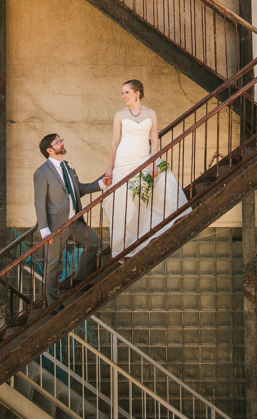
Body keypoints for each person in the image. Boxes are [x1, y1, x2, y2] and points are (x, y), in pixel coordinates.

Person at [101, 79, 190, 258]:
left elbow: (155, 140)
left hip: (143, 158)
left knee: (163, 181)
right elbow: (115, 142)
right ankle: (124, 247)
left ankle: (155, 227)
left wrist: (152, 162)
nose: (124, 96)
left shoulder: (151, 113)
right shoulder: (120, 115)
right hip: (125, 159)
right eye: (122, 93)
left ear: (137, 94)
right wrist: (109, 169)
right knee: (125, 204)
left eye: (127, 92)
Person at [34, 133, 107, 307]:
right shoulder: (42, 173)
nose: (62, 143)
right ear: (49, 150)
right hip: (55, 226)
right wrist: (44, 230)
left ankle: (80, 279)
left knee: (93, 242)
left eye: (61, 140)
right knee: (53, 264)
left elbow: (78, 189)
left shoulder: (68, 166)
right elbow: (39, 201)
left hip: (75, 220)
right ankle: (52, 304)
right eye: (58, 142)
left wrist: (101, 184)